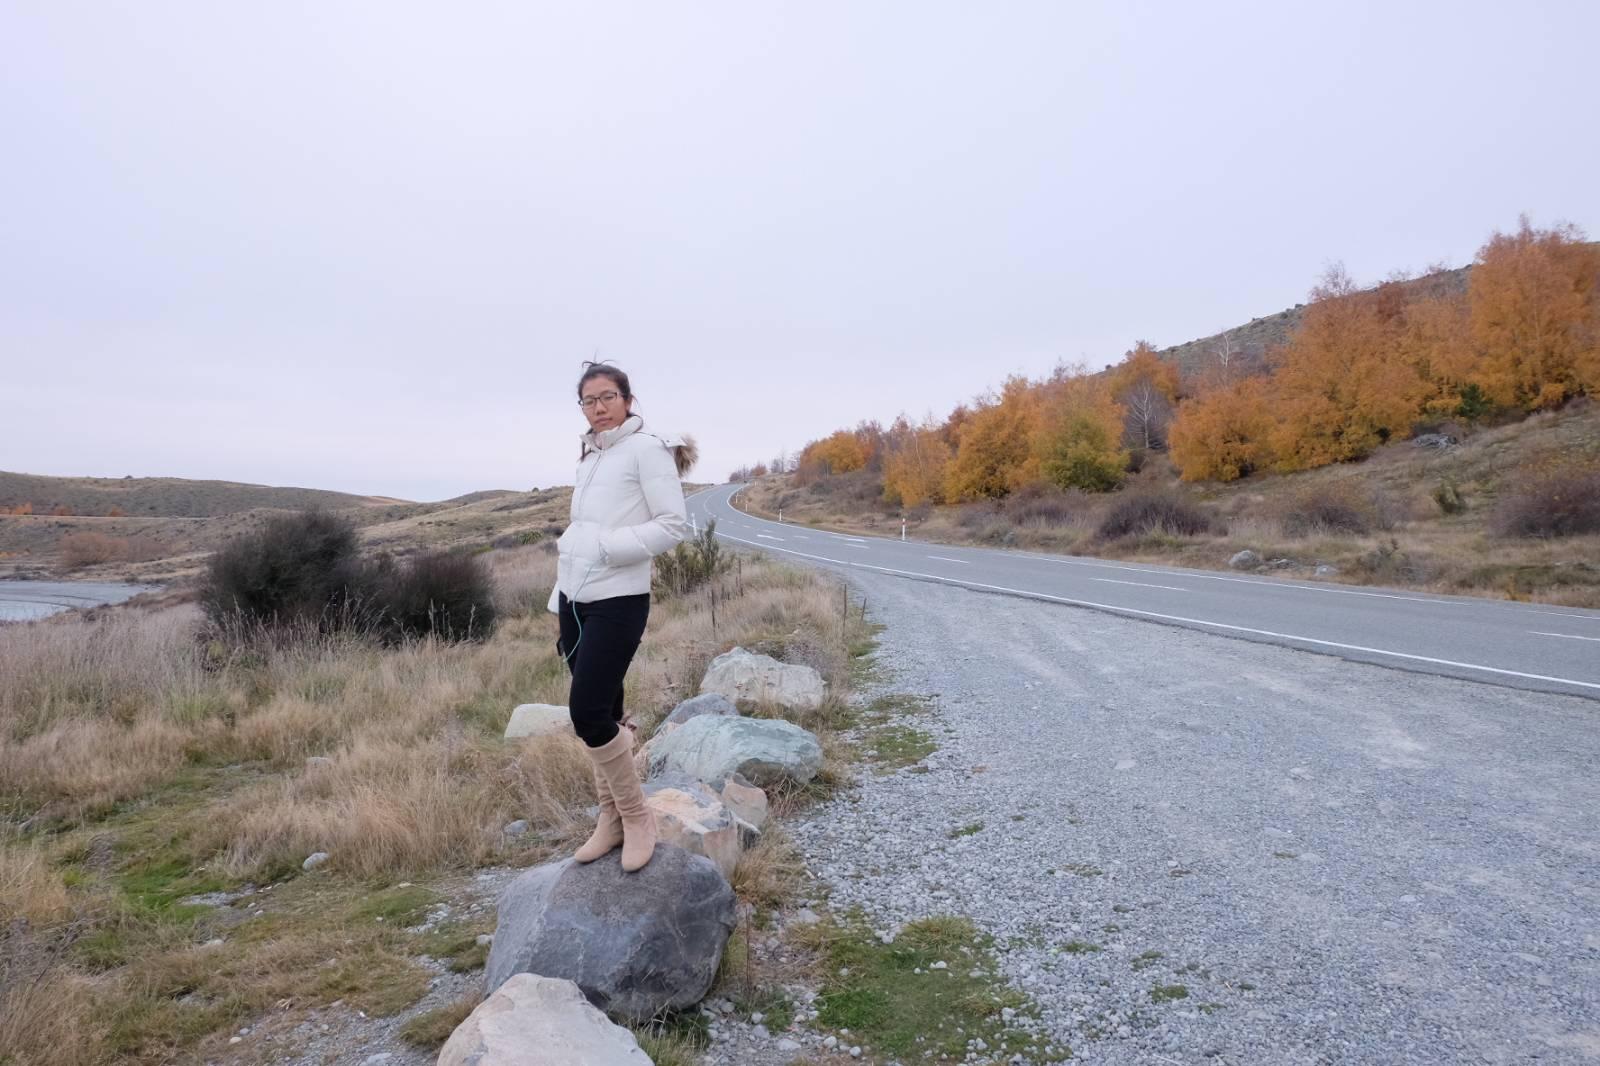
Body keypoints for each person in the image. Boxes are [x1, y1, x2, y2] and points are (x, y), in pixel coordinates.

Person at [549, 361, 696, 872]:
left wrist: (608, 549)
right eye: (589, 401)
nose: (599, 408)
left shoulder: (646, 450)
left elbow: (673, 525)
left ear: (628, 400)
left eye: (608, 397)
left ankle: (637, 817)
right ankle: (610, 819)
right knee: (606, 715)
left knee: (586, 713)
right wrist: (560, 597)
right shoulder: (590, 455)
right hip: (575, 601)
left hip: (619, 600)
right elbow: (581, 530)